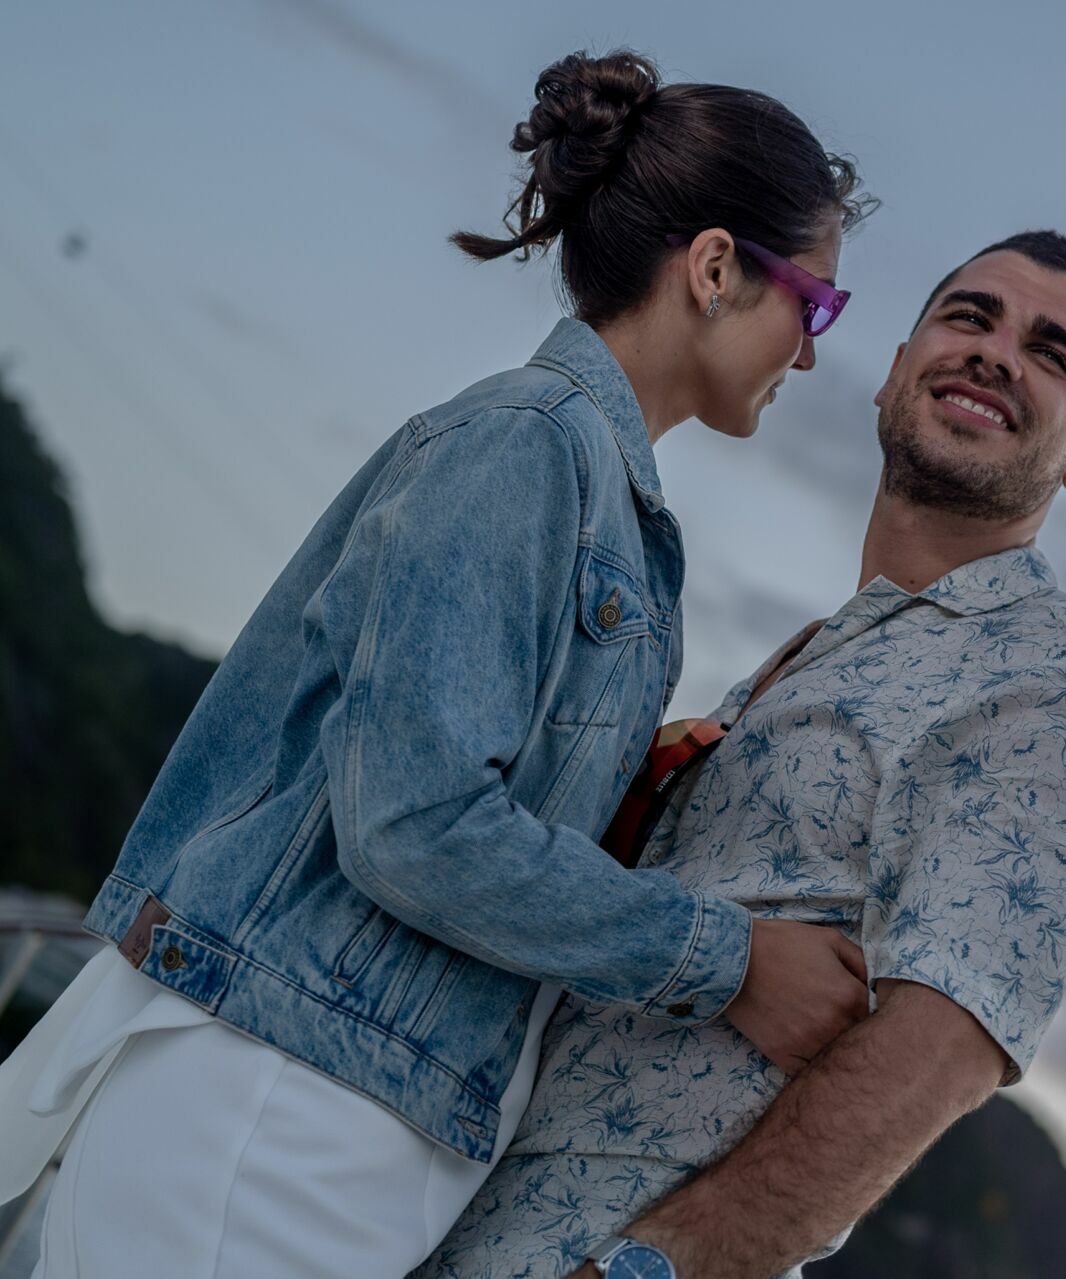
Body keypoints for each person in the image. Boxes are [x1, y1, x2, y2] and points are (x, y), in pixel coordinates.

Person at [0, 49, 877, 1277]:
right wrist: (726, 961)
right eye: (819, 304)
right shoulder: (526, 448)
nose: (817, 348)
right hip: (269, 1113)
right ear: (718, 267)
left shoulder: (607, 502)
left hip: (344, 1124)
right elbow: (414, 824)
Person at [419, 230, 1066, 1279]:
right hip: (457, 1200)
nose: (999, 353)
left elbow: (939, 1052)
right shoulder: (829, 655)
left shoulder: (1060, 688)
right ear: (898, 369)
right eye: (971, 317)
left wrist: (640, 1274)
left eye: (1053, 355)